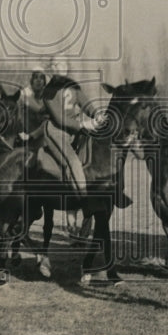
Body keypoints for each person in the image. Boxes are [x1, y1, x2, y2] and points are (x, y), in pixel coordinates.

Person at [39, 57, 132, 216]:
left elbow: (86, 104)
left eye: (62, 64)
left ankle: (116, 189)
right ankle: (85, 201)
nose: (59, 68)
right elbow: (59, 119)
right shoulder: (48, 91)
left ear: (66, 67)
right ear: (51, 69)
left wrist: (97, 114)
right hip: (55, 130)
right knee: (73, 162)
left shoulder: (73, 86)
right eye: (55, 65)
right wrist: (83, 125)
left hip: (73, 130)